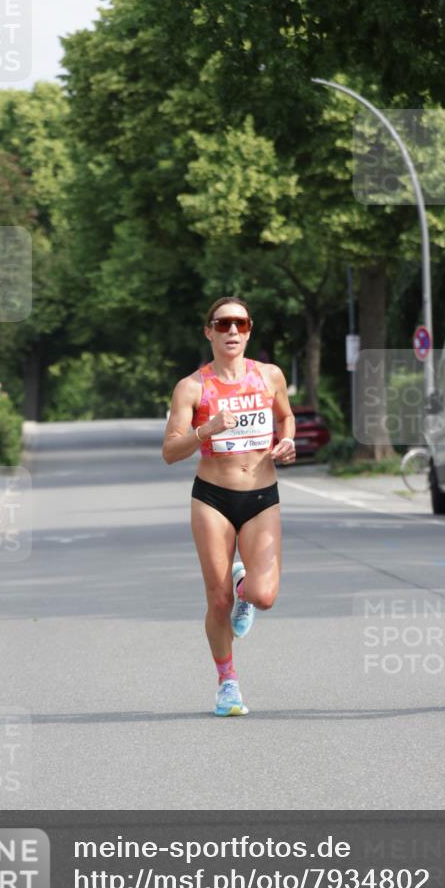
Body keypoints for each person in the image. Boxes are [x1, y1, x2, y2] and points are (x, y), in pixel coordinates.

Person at [162, 297, 296, 716]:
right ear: (209, 332)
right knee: (216, 602)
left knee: (264, 595)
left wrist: (287, 440)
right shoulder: (192, 387)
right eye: (223, 325)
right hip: (212, 497)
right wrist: (206, 429)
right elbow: (170, 450)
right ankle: (228, 683)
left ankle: (245, 589)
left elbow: (285, 418)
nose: (232, 331)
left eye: (240, 324)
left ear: (250, 330)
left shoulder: (269, 375)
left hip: (261, 496)